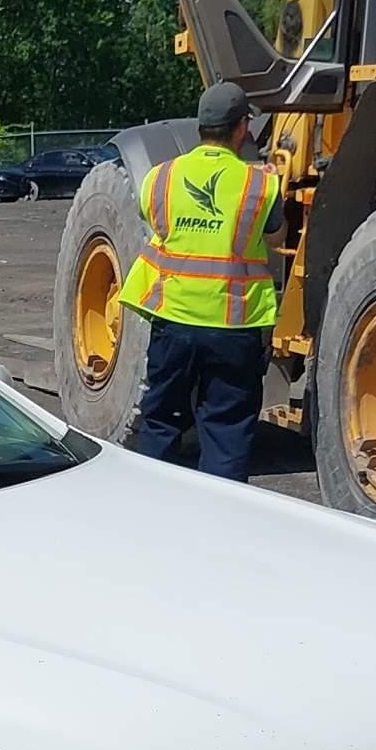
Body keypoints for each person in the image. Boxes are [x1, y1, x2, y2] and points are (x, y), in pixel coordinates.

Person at [119, 80, 284, 482]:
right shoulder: (260, 183)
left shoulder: (160, 177)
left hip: (173, 320)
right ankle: (217, 523)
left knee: (161, 421)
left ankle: (150, 506)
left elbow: (154, 220)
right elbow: (276, 237)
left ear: (200, 127)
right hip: (234, 325)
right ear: (242, 128)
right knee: (226, 431)